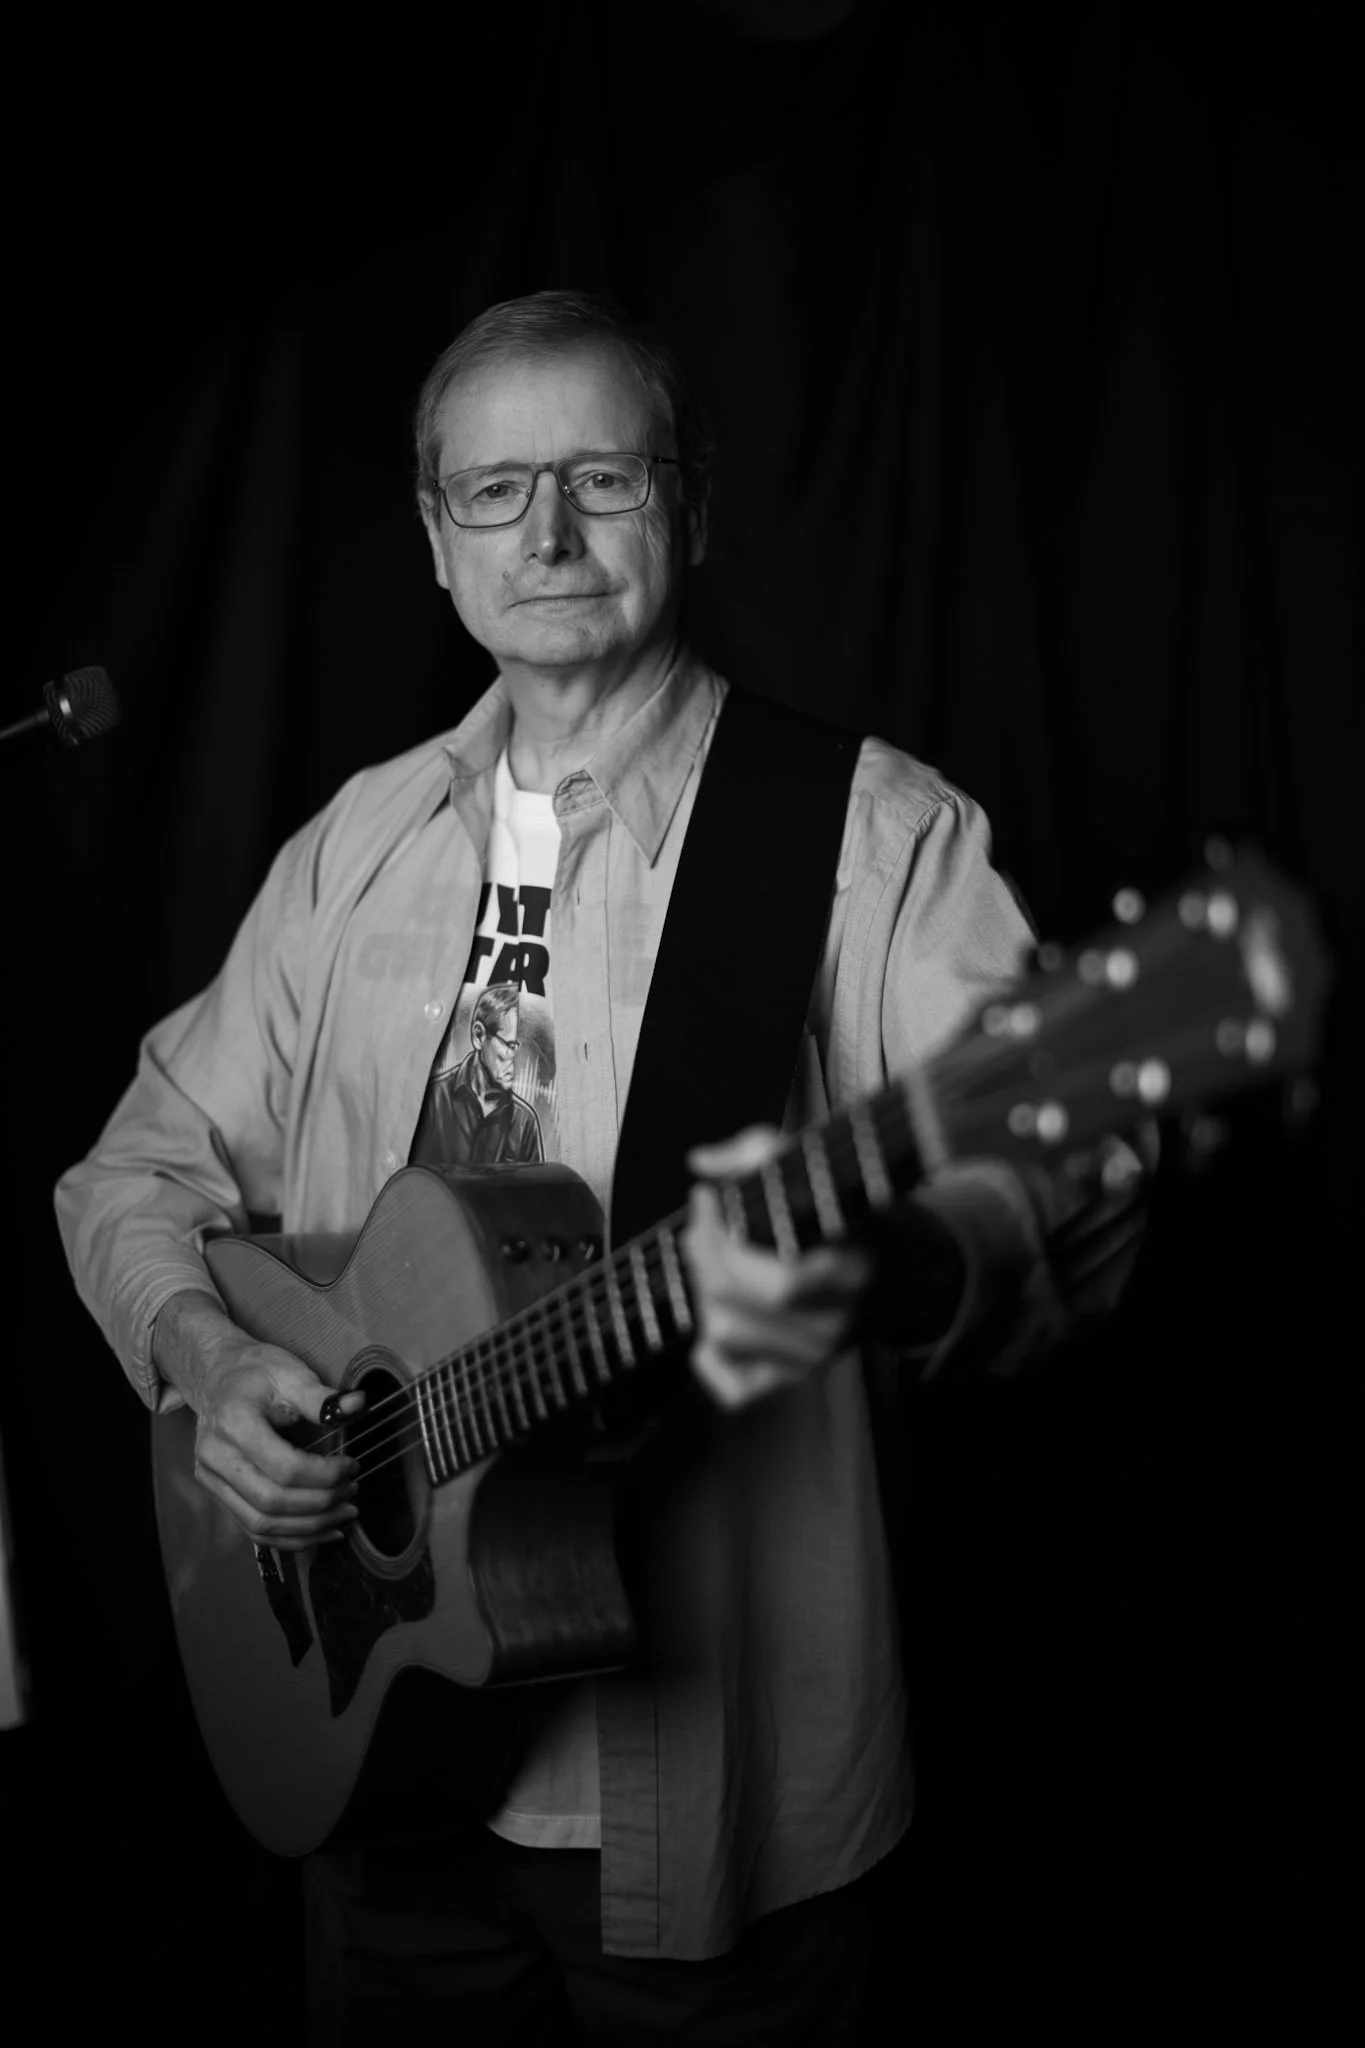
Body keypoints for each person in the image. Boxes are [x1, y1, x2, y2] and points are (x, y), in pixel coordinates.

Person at [54, 289, 1146, 2044]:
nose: (546, 534)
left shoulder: (863, 837)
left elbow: (1072, 1154)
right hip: (371, 1760)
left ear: (691, 506)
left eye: (601, 479)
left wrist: (911, 1256)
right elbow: (130, 1172)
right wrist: (210, 1355)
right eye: (492, 491)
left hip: (719, 1799)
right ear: (433, 539)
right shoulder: (355, 845)